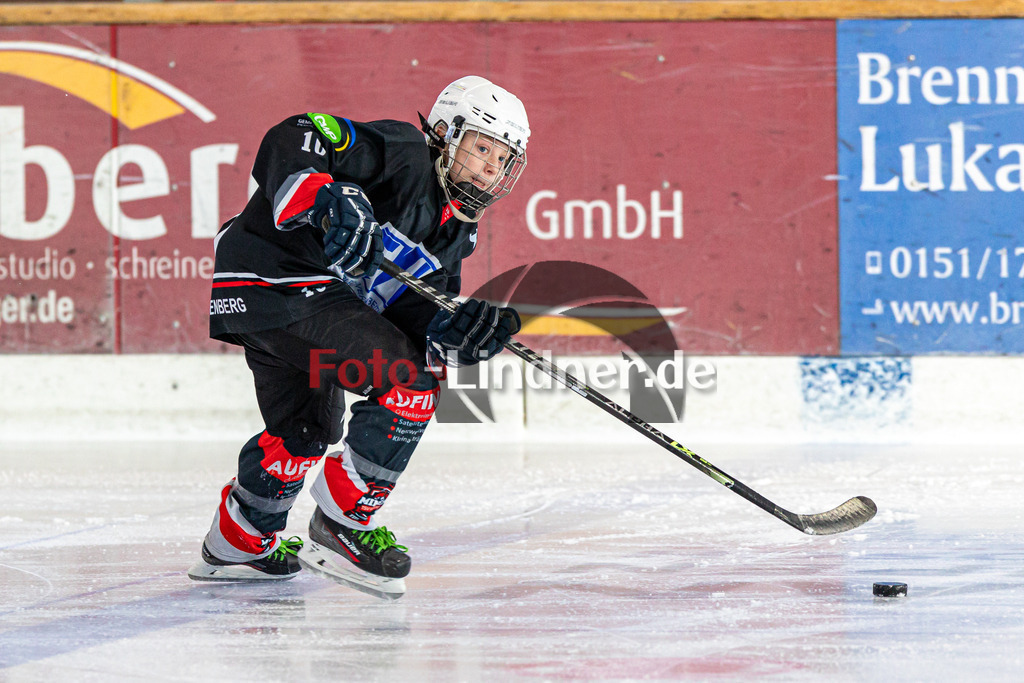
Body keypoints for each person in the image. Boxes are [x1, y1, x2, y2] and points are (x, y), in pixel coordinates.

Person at [187, 76, 530, 599]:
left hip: (269, 301)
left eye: (502, 159)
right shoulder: (403, 152)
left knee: (303, 432)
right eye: (481, 148)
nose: (490, 168)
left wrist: (459, 328)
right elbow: (296, 133)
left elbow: (412, 312)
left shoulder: (457, 232)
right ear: (444, 132)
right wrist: (327, 199)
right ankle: (344, 524)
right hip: (286, 276)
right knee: (409, 385)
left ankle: (239, 540)